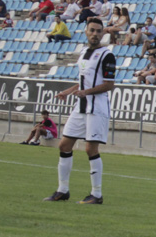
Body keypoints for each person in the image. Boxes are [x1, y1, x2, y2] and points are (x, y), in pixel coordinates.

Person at [44, 18, 115, 205]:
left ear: (102, 33)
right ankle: (62, 190)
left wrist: (86, 92)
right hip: (81, 106)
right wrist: (68, 92)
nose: (95, 34)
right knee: (64, 145)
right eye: (92, 30)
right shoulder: (83, 52)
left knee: (90, 148)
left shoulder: (107, 55)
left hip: (97, 107)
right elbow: (84, 80)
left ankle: (96, 194)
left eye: (99, 31)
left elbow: (109, 85)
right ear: (86, 31)